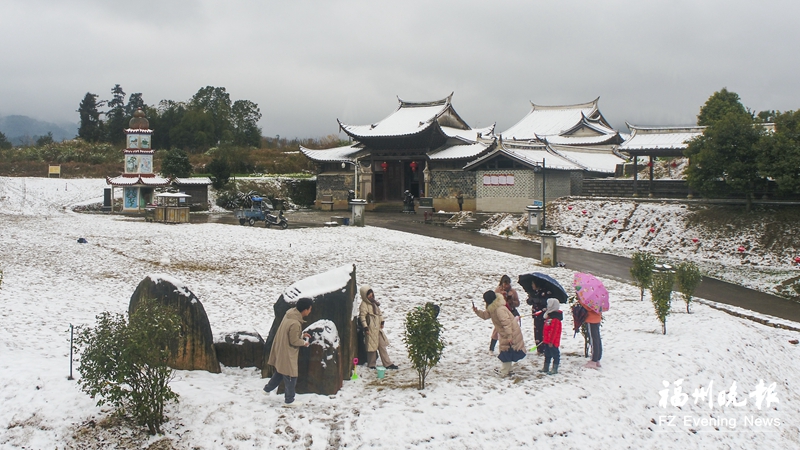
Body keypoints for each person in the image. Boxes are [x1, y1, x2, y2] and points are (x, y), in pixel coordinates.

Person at [263, 298, 313, 405]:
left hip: (281, 348)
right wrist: (304, 342)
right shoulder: (295, 323)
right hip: (287, 352)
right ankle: (289, 401)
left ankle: (266, 390)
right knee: (291, 376)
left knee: (280, 372)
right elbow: (294, 340)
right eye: (309, 309)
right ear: (305, 310)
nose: (310, 311)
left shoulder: (289, 315)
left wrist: (301, 335)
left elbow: (290, 333)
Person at [474, 290, 526, 377]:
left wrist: (509, 336)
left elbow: (507, 323)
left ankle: (504, 371)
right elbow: (485, 316)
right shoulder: (493, 308)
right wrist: (477, 311)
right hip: (505, 332)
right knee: (508, 351)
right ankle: (508, 370)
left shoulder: (499, 310)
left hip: (509, 332)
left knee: (506, 351)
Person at [359, 285, 398, 370]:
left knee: (382, 346)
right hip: (370, 329)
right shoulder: (364, 305)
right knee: (371, 348)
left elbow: (379, 314)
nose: (370, 295)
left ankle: (387, 363)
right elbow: (362, 317)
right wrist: (366, 327)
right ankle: (371, 364)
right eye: (368, 294)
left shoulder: (374, 303)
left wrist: (382, 321)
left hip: (377, 329)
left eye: (371, 293)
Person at [489, 275, 520, 352]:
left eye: (508, 284)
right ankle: (491, 348)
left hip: (511, 312)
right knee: (497, 330)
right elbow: (493, 302)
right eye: (505, 284)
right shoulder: (497, 291)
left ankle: (512, 347)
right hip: (500, 313)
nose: (506, 286)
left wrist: (512, 302)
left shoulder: (513, 292)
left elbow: (518, 303)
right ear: (502, 283)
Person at [525, 282, 550, 355]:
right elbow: (529, 302)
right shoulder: (533, 292)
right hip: (535, 314)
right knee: (537, 331)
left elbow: (546, 301)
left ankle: (544, 348)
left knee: (543, 331)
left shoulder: (545, 292)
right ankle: (539, 348)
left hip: (543, 314)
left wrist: (539, 300)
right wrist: (530, 300)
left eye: (533, 284)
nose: (532, 285)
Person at [540, 298, 563, 375]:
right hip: (547, 340)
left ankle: (555, 368)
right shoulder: (549, 317)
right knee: (547, 354)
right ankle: (546, 367)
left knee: (555, 354)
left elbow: (554, 332)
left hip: (552, 342)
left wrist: (551, 341)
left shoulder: (555, 319)